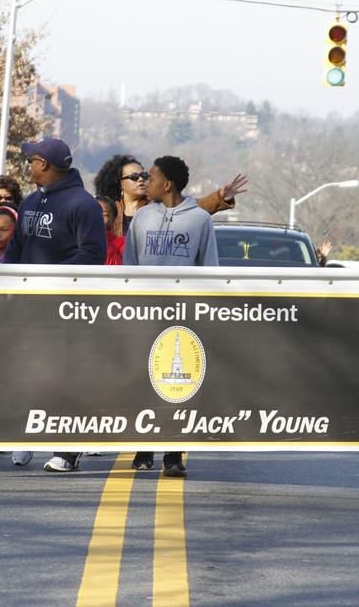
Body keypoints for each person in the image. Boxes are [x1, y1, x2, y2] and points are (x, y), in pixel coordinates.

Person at [5, 137, 107, 472]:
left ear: (44, 164)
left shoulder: (83, 205)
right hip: (29, 306)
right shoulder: (30, 201)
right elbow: (16, 250)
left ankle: (68, 447)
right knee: (29, 374)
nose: (28, 165)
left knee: (66, 377)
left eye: (31, 160)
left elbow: (93, 254)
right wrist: (5, 283)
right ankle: (26, 436)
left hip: (67, 309)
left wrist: (50, 278)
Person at [124, 155, 218, 478]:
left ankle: (174, 453)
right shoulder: (141, 218)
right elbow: (129, 266)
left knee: (176, 383)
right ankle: (144, 445)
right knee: (142, 379)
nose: (144, 182)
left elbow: (209, 270)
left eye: (150, 178)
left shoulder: (200, 220)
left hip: (183, 313)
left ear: (168, 184)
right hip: (144, 311)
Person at [93, 154, 247, 238]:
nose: (141, 179)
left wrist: (221, 197)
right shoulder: (108, 209)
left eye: (144, 175)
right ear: (118, 182)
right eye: (134, 177)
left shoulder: (158, 205)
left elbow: (193, 208)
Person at [96, 197, 125, 265]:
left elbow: (117, 267)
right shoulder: (80, 241)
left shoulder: (122, 243)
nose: (96, 217)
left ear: (113, 218)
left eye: (103, 215)